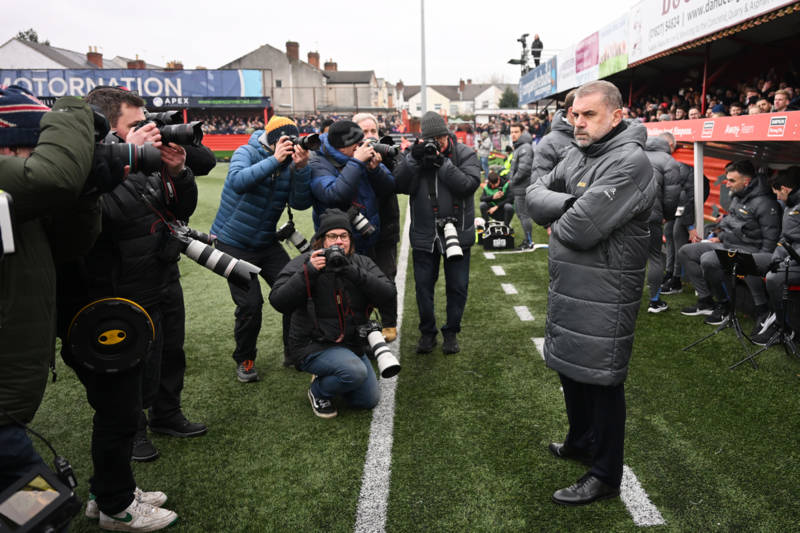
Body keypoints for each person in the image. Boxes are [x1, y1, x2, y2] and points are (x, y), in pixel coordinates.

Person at [59, 86, 186, 530]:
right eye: (135, 126)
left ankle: (107, 491)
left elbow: (166, 210)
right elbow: (107, 217)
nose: (149, 132)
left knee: (120, 408)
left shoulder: (119, 165)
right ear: (106, 131)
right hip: (100, 307)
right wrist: (128, 159)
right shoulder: (87, 169)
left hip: (125, 300)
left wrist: (167, 169)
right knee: (118, 412)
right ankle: (117, 507)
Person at [527, 80, 656, 506]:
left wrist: (562, 215)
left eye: (589, 115)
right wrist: (570, 205)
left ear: (617, 116)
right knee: (571, 371)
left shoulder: (631, 162)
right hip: (571, 287)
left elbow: (580, 231)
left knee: (601, 381)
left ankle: (605, 474)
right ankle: (580, 440)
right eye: (574, 115)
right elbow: (532, 195)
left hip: (606, 290)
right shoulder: (576, 153)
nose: (578, 123)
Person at [0, 88, 99, 496]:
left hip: (10, 401)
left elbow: (68, 247)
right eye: (30, 149)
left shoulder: (16, 208)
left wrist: (87, 192)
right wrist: (74, 110)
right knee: (42, 509)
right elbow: (51, 179)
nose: (34, 159)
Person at [210, 116, 312, 382]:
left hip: (266, 242)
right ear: (272, 139)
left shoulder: (290, 163)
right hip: (232, 242)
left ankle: (294, 351)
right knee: (251, 305)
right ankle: (245, 358)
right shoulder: (247, 151)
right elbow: (238, 181)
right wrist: (275, 160)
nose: (289, 146)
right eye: (284, 141)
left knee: (295, 291)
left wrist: (300, 169)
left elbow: (300, 204)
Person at [268, 209, 396, 418]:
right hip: (312, 344)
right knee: (354, 372)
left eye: (343, 236)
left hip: (350, 343)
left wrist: (352, 272)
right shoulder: (305, 262)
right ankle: (318, 390)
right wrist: (308, 272)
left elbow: (388, 294)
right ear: (322, 240)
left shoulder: (360, 263)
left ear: (350, 240)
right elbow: (278, 301)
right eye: (332, 236)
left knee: (367, 400)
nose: (339, 241)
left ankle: (335, 371)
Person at [394, 111, 481, 354]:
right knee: (423, 286)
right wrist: (413, 159)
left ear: (446, 135)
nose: (436, 145)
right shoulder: (414, 154)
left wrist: (443, 163)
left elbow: (468, 185)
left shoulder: (464, 153)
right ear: (422, 139)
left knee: (458, 286)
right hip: (424, 232)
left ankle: (451, 332)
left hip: (458, 231)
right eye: (430, 141)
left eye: (439, 140)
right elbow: (398, 184)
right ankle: (427, 332)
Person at [678, 160, 780, 325]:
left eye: (732, 180)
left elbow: (770, 242)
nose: (727, 184)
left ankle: (729, 305)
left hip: (750, 252)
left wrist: (759, 267)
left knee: (709, 259)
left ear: (746, 181)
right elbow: (731, 223)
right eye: (727, 179)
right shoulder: (739, 196)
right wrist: (719, 235)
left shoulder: (766, 203)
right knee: (686, 251)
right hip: (729, 245)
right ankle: (706, 301)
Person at [350, 113, 401, 341]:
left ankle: (389, 323)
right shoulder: (348, 158)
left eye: (373, 132)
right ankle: (363, 326)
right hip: (359, 233)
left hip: (386, 229)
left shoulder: (388, 154)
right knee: (360, 281)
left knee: (386, 277)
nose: (370, 137)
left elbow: (391, 187)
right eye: (364, 132)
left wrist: (376, 169)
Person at [753, 167, 800, 344]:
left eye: (778, 193)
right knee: (749, 263)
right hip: (790, 260)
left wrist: (786, 262)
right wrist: (776, 259)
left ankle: (783, 326)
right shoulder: (790, 206)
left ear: (786, 189)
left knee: (773, 278)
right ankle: (764, 312)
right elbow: (784, 239)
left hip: (796, 262)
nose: (777, 197)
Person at [643, 134, 682, 312]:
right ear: (670, 144)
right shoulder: (668, 161)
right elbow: (672, 196)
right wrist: (667, 215)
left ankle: (625, 299)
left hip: (626, 215)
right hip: (652, 216)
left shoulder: (635, 155)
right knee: (654, 257)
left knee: (627, 258)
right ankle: (655, 300)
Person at [508, 122, 535, 249]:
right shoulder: (519, 146)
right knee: (521, 214)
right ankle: (527, 240)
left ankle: (529, 241)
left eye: (516, 132)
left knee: (523, 215)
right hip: (519, 187)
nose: (513, 135)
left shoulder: (525, 147)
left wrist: (512, 180)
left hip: (522, 187)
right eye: (511, 132)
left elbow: (524, 169)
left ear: (522, 132)